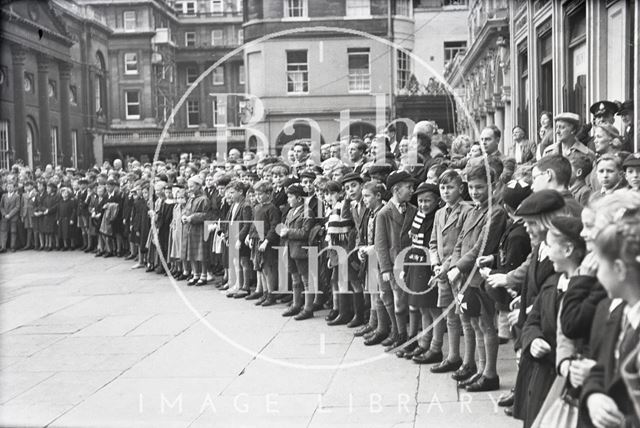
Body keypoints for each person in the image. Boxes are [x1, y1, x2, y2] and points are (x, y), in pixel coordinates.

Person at [514, 216, 586, 427]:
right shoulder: (551, 284)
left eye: (550, 244)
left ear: (568, 250)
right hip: (540, 380)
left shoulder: (585, 292)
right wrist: (533, 339)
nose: (546, 250)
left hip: (564, 384)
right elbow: (532, 321)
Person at [447, 164, 507, 392]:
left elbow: (482, 247)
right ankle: (481, 370)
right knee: (474, 323)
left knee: (485, 324)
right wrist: (454, 266)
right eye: (471, 187)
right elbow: (460, 241)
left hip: (479, 276)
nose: (475, 192)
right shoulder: (474, 210)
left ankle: (490, 373)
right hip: (465, 276)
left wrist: (459, 267)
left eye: (480, 187)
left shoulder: (496, 212)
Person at [582, 213, 640, 428]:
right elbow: (602, 367)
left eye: (600, 265)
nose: (596, 274)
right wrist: (593, 395)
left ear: (619, 269)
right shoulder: (622, 314)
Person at [372, 170, 417, 349]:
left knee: (406, 300)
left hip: (410, 262)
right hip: (393, 264)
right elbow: (380, 244)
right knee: (395, 300)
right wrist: (385, 269)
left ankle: (406, 335)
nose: (412, 190)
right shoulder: (384, 213)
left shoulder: (413, 210)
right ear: (396, 190)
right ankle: (400, 334)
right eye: (409, 187)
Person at [401, 183, 444, 364]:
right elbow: (412, 241)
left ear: (437, 201)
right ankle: (424, 342)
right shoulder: (419, 216)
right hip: (416, 263)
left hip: (430, 265)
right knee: (422, 307)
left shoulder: (437, 217)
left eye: (428, 201)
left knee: (434, 309)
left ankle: (436, 347)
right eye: (420, 201)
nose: (424, 205)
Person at [278, 183, 314, 319]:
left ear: (299, 198)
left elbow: (305, 233)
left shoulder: (307, 211)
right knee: (295, 278)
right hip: (290, 248)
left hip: (301, 250)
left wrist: (288, 231)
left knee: (306, 280)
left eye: (290, 197)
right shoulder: (290, 211)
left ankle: (308, 308)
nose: (288, 199)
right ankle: (296, 304)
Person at [0, 181, 20, 252]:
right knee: (3, 231)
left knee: (13, 232)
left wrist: (10, 215)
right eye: (8, 187)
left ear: (14, 188)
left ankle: (13, 246)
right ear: (6, 187)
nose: (9, 188)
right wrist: (4, 214)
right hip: (5, 217)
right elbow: (1, 206)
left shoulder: (17, 196)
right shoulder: (4, 196)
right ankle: (3, 247)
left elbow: (17, 207)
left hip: (13, 217)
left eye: (11, 187)